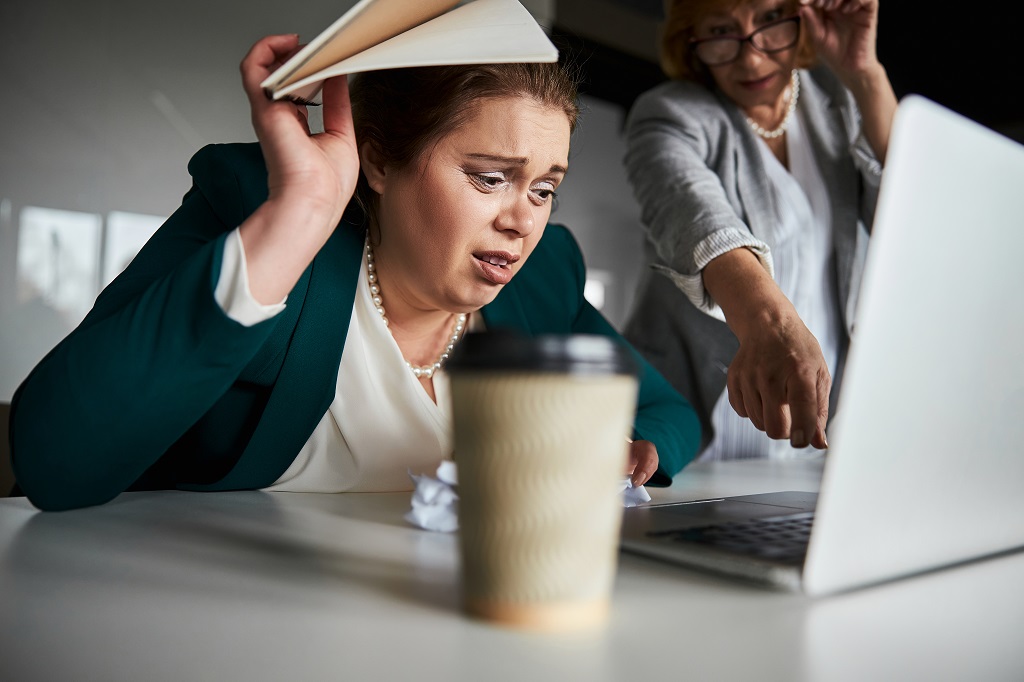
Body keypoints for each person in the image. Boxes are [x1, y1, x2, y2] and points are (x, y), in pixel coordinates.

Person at [8, 34, 701, 511]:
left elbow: (667, 411)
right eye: (491, 178)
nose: (523, 221)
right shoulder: (261, 212)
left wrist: (635, 451)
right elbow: (53, 460)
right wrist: (299, 214)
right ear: (377, 162)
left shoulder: (543, 274)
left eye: (544, 189)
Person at [622, 0, 897, 459]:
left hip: (819, 431)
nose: (751, 57)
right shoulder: (669, 113)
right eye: (720, 30)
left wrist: (865, 74)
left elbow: (901, 217)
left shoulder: (836, 102)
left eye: (770, 20)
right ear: (691, 41)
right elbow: (690, 213)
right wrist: (772, 324)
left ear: (803, 15)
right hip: (689, 431)